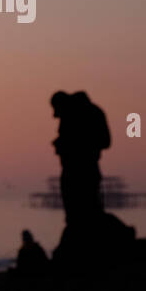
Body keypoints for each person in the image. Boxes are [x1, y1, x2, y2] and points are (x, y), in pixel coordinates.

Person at [51, 91, 110, 228]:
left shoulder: (90, 113)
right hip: (74, 171)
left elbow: (105, 142)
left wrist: (75, 144)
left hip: (84, 172)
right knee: (76, 216)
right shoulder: (73, 114)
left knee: (86, 214)